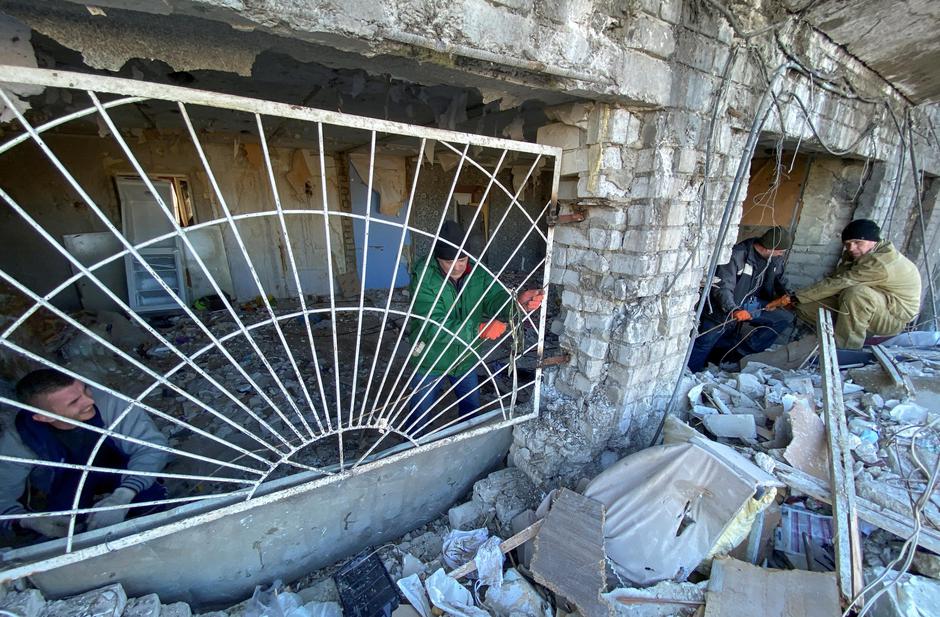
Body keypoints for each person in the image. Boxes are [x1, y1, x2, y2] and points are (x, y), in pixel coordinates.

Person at [406, 220, 543, 434]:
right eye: (449, 261)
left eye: (461, 259)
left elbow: (494, 297)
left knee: (471, 415)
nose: (457, 266)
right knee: (417, 419)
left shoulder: (476, 272)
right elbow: (431, 325)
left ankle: (466, 449)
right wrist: (478, 329)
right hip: (431, 357)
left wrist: (517, 304)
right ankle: (409, 455)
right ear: (437, 258)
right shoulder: (425, 278)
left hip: (466, 357)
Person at [0, 369, 170, 539]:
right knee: (68, 532)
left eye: (85, 389)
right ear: (44, 417)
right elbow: (2, 494)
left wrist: (123, 496)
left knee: (151, 502)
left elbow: (151, 447)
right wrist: (30, 521)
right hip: (67, 486)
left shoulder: (109, 403)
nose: (89, 400)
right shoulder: (21, 437)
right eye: (74, 402)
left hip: (122, 470)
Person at [770, 219, 922, 349]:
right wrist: (797, 300)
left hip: (893, 317)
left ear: (873, 241)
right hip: (869, 307)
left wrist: (794, 297)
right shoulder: (857, 255)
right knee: (804, 306)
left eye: (857, 242)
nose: (852, 248)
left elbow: (841, 282)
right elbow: (835, 280)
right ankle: (834, 336)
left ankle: (847, 350)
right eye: (848, 244)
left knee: (857, 293)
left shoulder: (881, 263)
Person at [687, 226, 795, 372]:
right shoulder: (737, 255)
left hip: (751, 304)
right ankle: (689, 373)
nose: (781, 254)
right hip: (723, 307)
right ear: (770, 247)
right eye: (780, 251)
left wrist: (788, 296)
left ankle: (737, 356)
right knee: (704, 343)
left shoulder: (774, 260)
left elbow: (779, 279)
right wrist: (733, 309)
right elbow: (723, 287)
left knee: (783, 318)